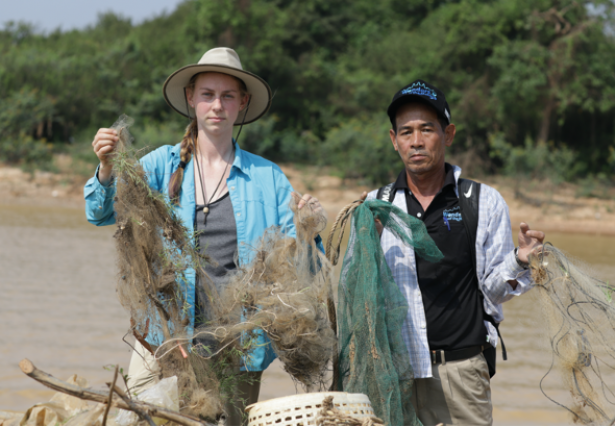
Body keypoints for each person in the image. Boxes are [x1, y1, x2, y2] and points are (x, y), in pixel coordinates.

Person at [85, 47, 325, 425]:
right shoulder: (159, 166)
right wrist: (104, 169)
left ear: (243, 103)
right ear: (190, 98)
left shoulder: (269, 179)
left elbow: (300, 265)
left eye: (228, 96)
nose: (217, 105)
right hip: (161, 341)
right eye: (208, 94)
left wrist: (309, 226)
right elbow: (99, 213)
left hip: (236, 350)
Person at [361, 80, 545, 426]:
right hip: (395, 374)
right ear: (393, 140)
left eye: (427, 129)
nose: (416, 141)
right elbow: (358, 291)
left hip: (462, 374)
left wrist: (520, 260)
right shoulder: (376, 206)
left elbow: (493, 289)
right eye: (406, 132)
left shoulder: (482, 201)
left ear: (448, 134)